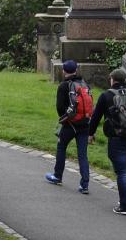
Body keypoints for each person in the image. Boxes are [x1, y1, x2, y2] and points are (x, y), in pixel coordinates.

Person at [87, 67, 126, 216]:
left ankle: (125, 206)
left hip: (116, 138)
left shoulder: (106, 96)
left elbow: (96, 116)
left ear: (112, 80)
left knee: (122, 171)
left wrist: (90, 134)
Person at [44, 59, 93, 194]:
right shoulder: (85, 85)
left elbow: (60, 107)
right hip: (85, 124)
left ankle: (57, 176)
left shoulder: (64, 86)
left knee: (61, 147)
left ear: (64, 71)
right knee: (82, 155)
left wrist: (64, 119)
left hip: (70, 124)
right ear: (76, 70)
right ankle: (85, 185)